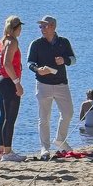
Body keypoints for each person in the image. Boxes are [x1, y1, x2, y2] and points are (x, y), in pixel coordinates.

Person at [27, 14, 76, 158]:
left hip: (61, 84)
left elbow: (73, 59)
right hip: (43, 84)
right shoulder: (36, 44)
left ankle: (60, 139)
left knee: (68, 113)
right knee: (44, 118)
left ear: (53, 27)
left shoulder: (63, 42)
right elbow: (30, 62)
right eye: (40, 26)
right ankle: (44, 148)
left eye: (45, 25)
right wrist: (37, 70)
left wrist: (64, 60)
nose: (41, 28)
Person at [0, 15, 27, 161]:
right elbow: (7, 63)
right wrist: (17, 83)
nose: (21, 31)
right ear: (15, 28)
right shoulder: (11, 41)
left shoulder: (2, 41)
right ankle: (7, 152)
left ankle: (1, 150)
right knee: (10, 118)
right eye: (19, 28)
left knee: (4, 117)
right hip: (8, 81)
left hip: (1, 80)